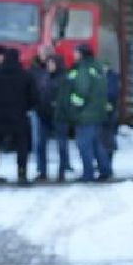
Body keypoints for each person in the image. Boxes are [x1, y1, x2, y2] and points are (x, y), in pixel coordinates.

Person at [0, 47, 36, 184]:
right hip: (19, 115)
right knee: (22, 144)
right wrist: (26, 107)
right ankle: (22, 174)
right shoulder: (25, 75)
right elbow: (34, 96)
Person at [65, 44, 111, 181]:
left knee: (84, 145)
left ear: (81, 54)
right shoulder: (97, 68)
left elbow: (82, 91)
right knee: (96, 144)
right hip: (98, 113)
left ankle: (88, 173)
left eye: (76, 52)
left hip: (85, 115)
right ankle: (105, 170)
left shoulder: (84, 69)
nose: (74, 55)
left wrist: (74, 107)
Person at [42, 53, 73, 181]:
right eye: (48, 63)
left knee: (61, 144)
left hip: (60, 116)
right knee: (43, 144)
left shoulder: (64, 78)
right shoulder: (46, 77)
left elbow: (65, 99)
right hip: (46, 114)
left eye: (51, 63)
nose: (49, 66)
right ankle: (43, 172)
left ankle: (62, 171)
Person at [28, 51, 52, 182]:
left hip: (45, 109)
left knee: (39, 140)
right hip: (38, 109)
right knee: (38, 141)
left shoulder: (34, 71)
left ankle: (43, 169)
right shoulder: (35, 71)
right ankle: (40, 168)